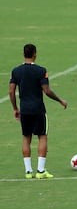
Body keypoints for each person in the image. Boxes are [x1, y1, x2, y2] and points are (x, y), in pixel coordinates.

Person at [9, 44, 68, 179]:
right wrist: (60, 100)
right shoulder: (41, 70)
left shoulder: (16, 71)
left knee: (26, 138)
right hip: (38, 109)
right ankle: (40, 171)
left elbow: (11, 91)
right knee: (42, 136)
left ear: (23, 54)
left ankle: (28, 171)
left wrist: (15, 108)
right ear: (35, 54)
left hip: (24, 110)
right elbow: (46, 90)